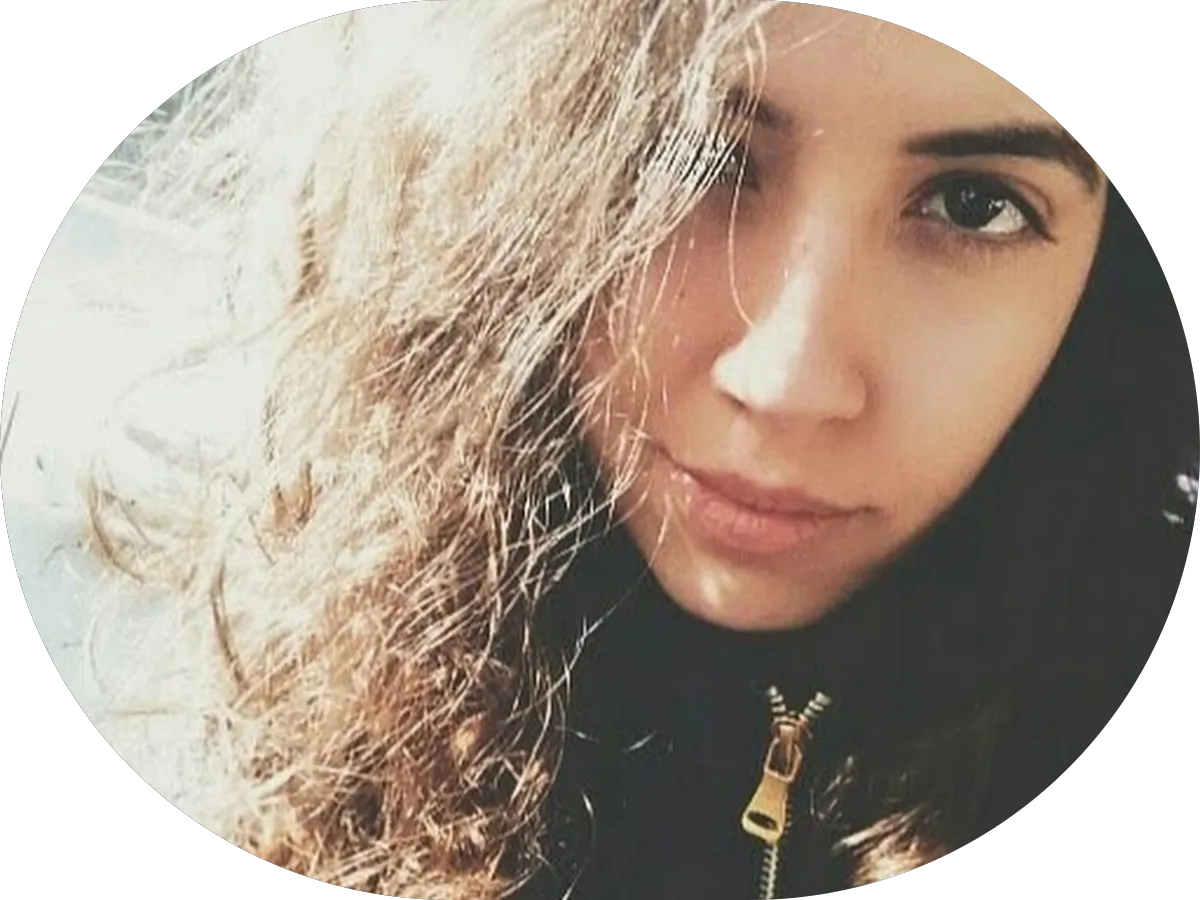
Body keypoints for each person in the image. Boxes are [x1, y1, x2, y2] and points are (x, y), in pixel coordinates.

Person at [13, 2, 1194, 898]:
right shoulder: (368, 617)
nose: (785, 383)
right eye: (690, 154)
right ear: (521, 173)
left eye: (977, 203)